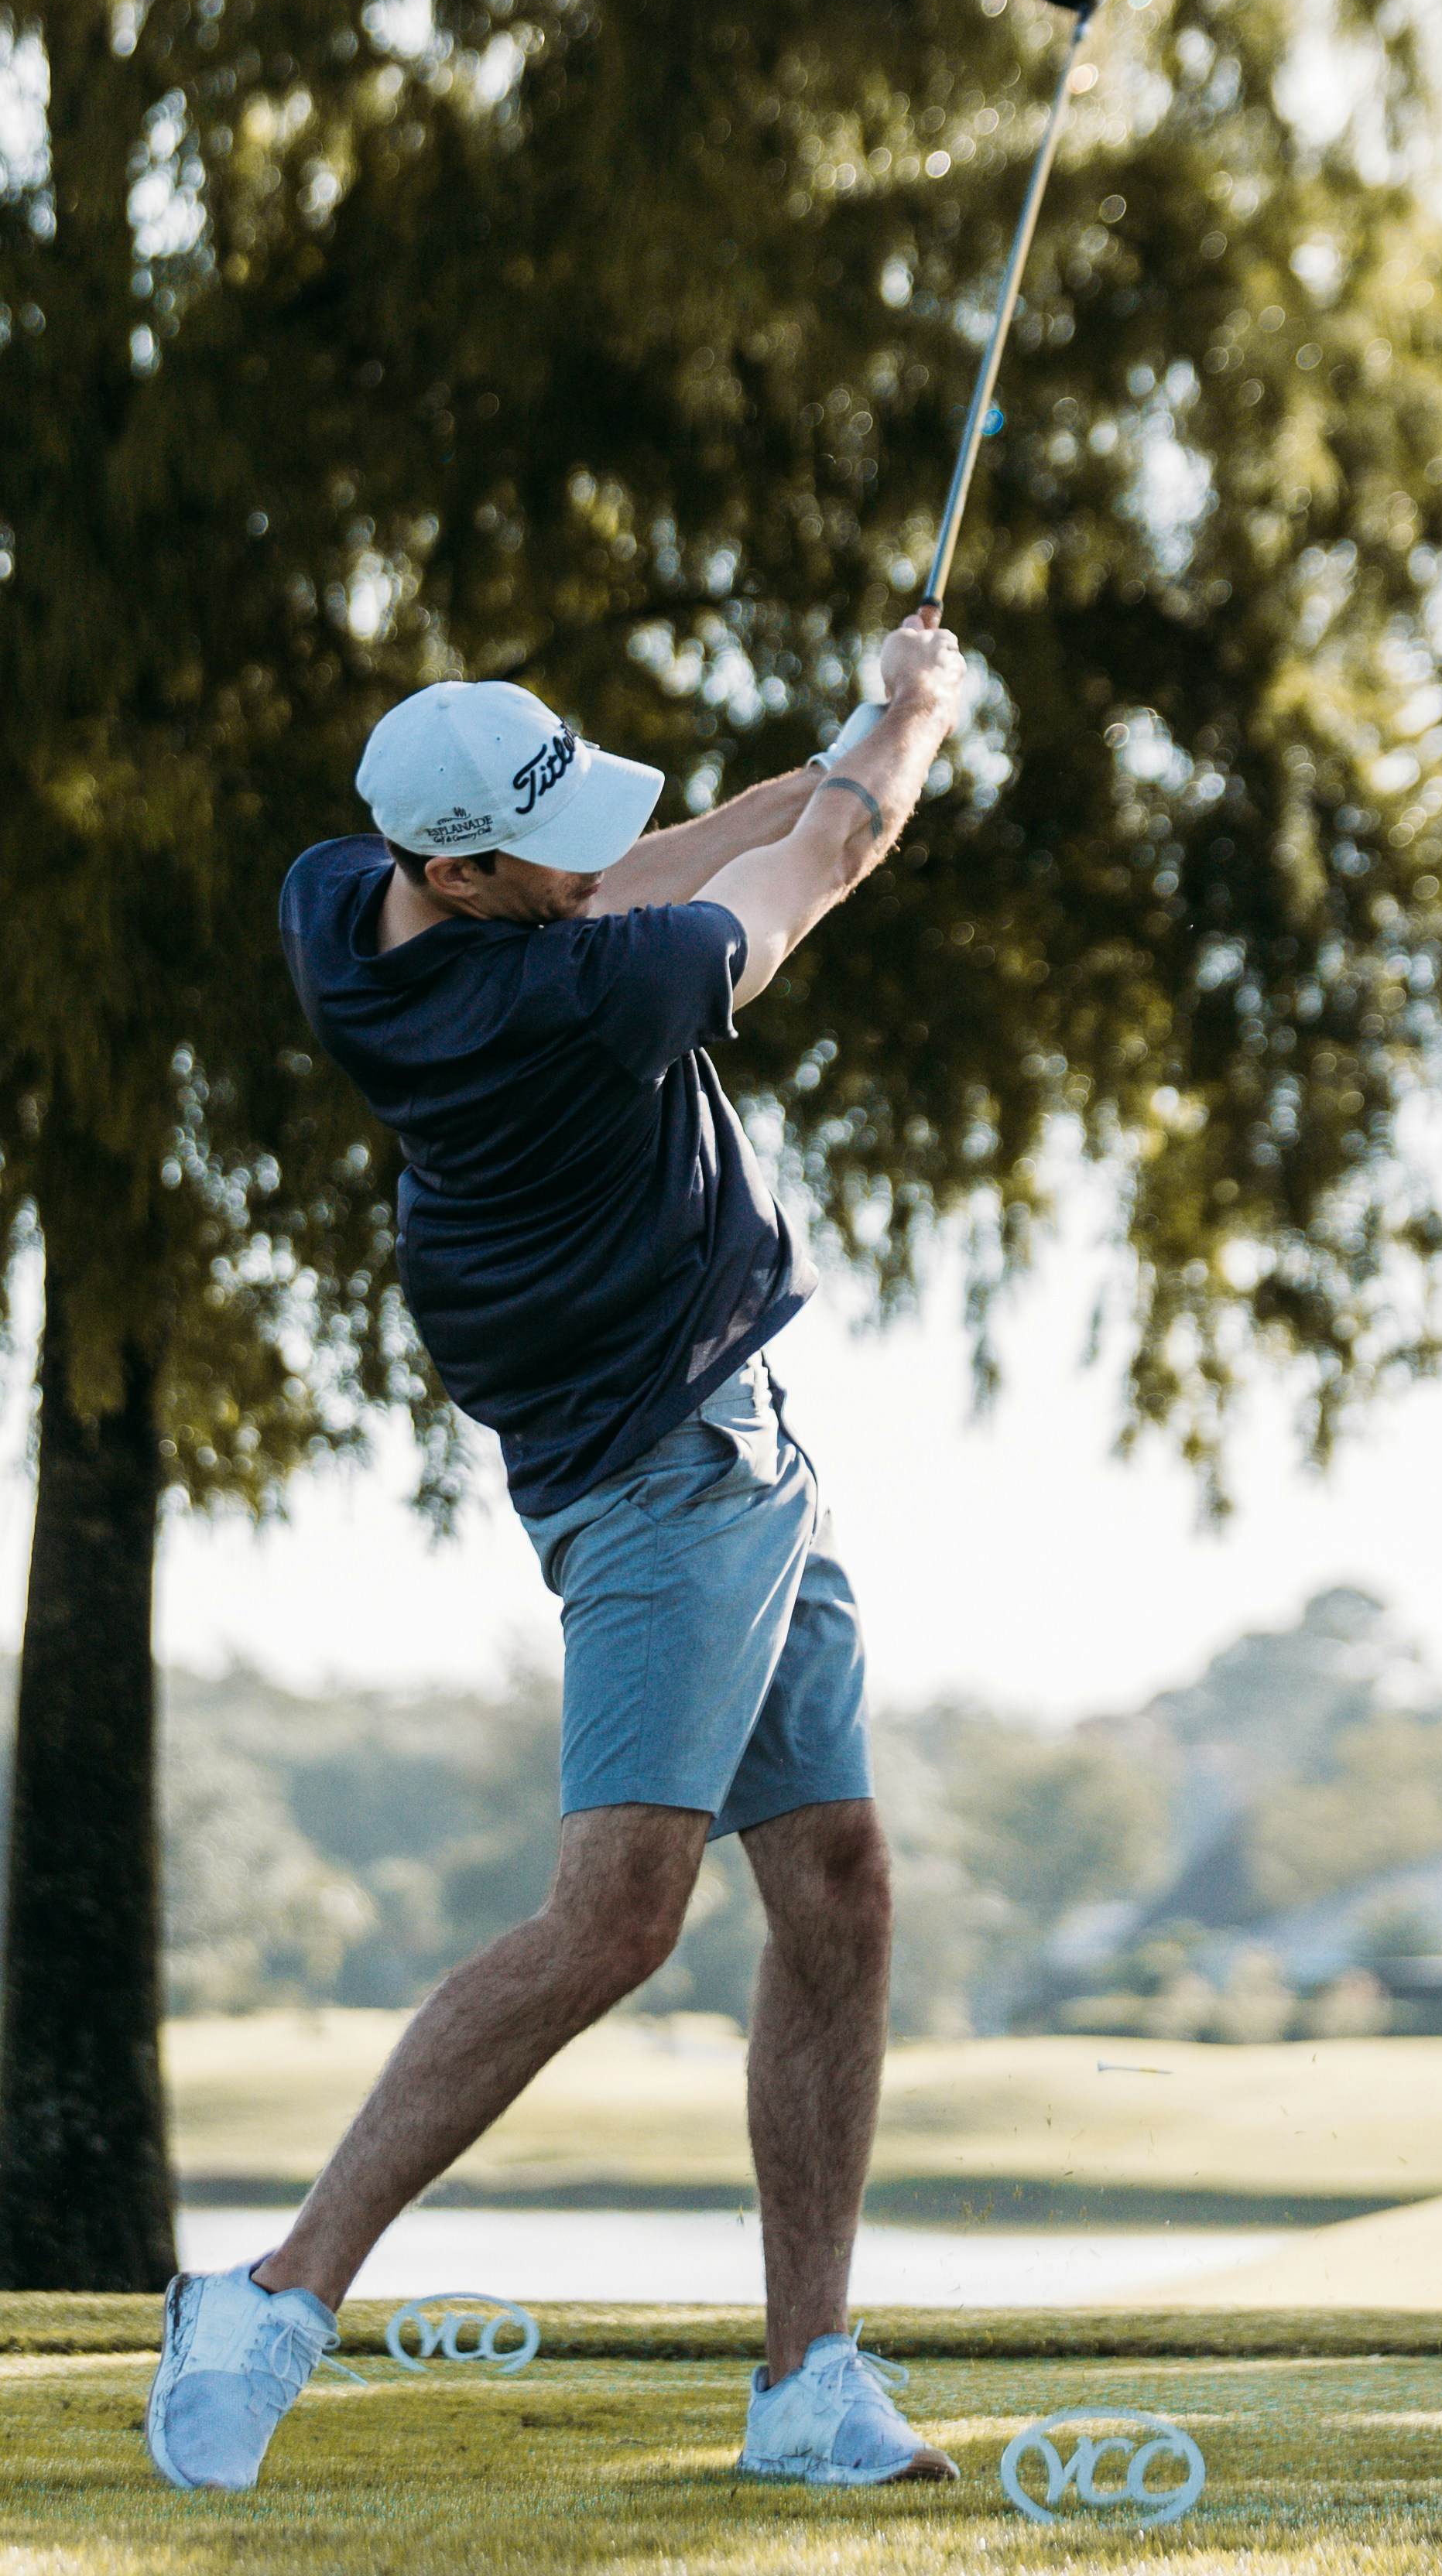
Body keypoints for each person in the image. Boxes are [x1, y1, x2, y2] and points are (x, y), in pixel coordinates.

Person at [146, 605, 972, 2496]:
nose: (591, 859)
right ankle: (270, 2300)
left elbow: (652, 865)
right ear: (463, 872)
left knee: (838, 1885)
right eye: (549, 843)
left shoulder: (344, 904)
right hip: (666, 1473)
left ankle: (808, 2383)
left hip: (728, 1446)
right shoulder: (587, 1001)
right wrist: (915, 720)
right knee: (614, 1921)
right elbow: (824, 860)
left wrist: (844, 741)